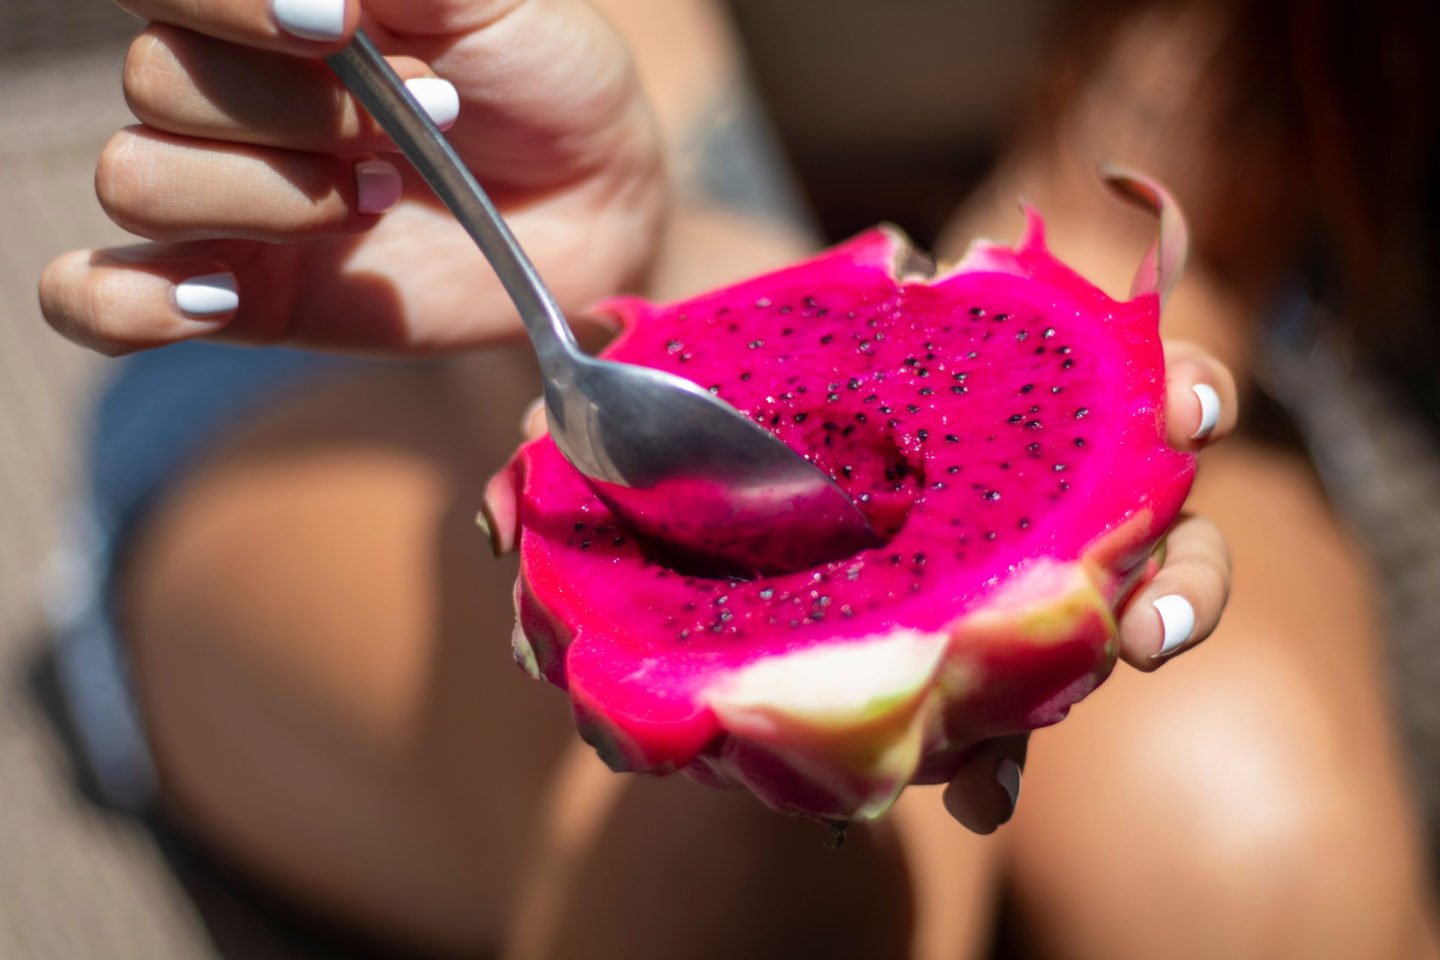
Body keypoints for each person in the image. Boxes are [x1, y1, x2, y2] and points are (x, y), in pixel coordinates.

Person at [35, 0, 1437, 957]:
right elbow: (568, 240)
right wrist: (612, 267)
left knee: (1256, 831)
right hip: (402, 311)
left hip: (1000, 308)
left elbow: (1091, 207)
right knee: (729, 887)